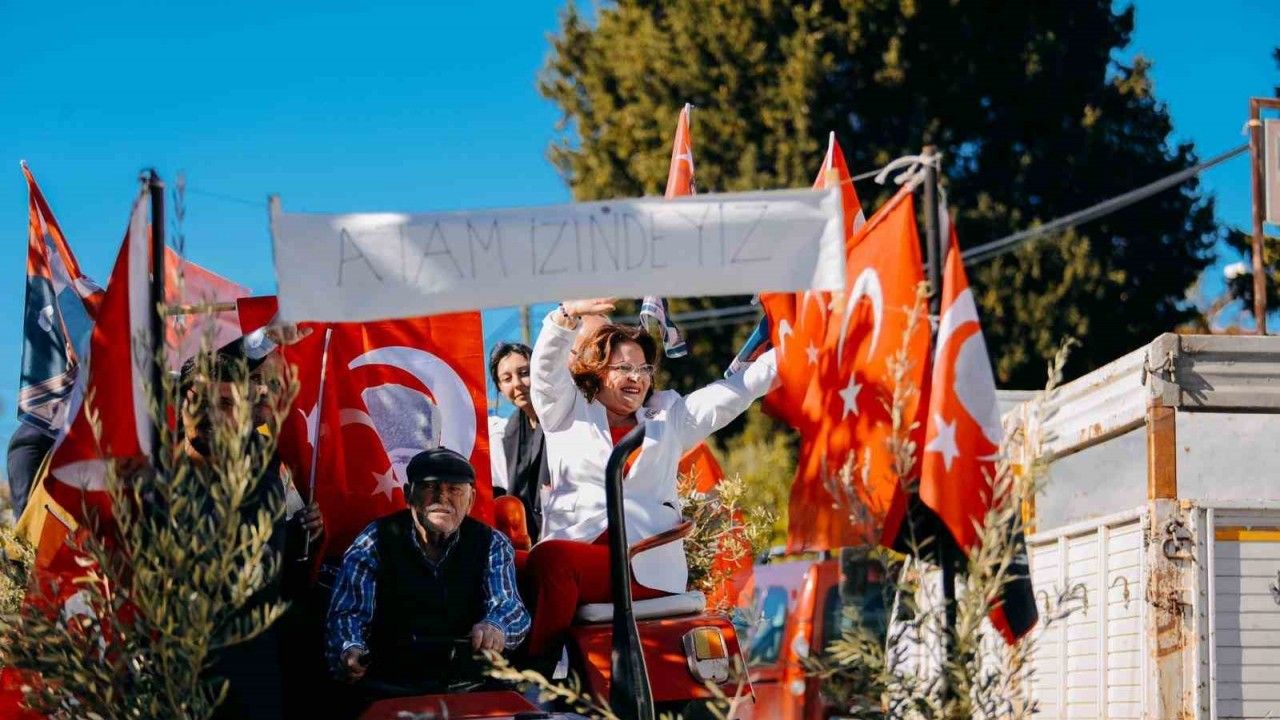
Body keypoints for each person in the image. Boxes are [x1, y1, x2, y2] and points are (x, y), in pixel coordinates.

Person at [520, 298, 777, 659]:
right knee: (513, 561)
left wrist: (790, 351)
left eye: (644, 369)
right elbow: (546, 371)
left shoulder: (667, 421)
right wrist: (566, 316)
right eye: (623, 367)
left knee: (552, 561)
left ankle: (537, 677)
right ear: (597, 370)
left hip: (642, 570)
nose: (636, 378)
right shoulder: (566, 413)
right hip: (581, 556)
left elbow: (733, 392)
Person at [178, 346, 323, 720]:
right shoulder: (148, 484)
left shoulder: (267, 476)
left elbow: (279, 574)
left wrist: (305, 534)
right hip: (175, 677)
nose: (212, 414)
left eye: (226, 405)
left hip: (254, 677)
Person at [326, 447, 530, 696]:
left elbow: (512, 608)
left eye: (454, 490)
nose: (442, 498)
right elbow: (348, 614)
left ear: (471, 500)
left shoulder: (492, 543)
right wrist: (351, 648)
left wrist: (496, 627)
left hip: (469, 686)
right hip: (390, 686)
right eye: (430, 488)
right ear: (408, 495)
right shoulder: (375, 539)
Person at [487, 342, 548, 543]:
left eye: (524, 372)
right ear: (499, 387)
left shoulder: (560, 418)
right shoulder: (505, 433)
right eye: (506, 379)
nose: (517, 383)